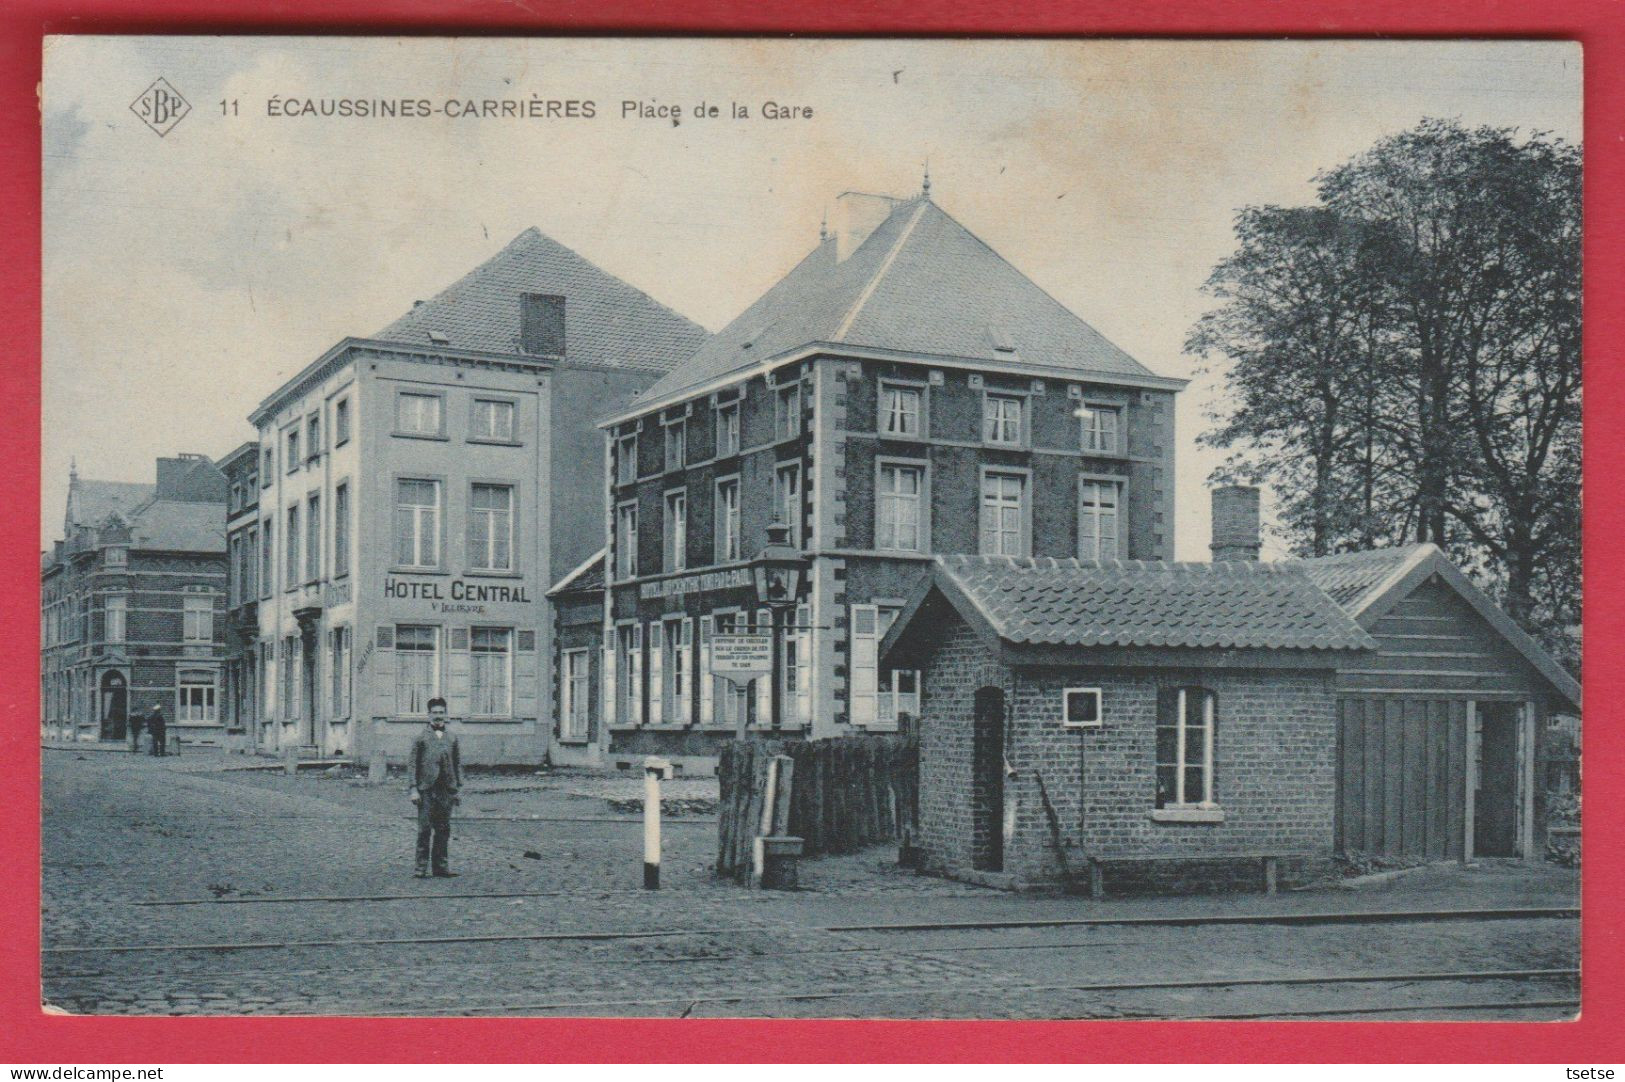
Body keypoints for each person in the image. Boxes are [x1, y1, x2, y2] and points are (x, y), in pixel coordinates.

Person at [408, 697, 462, 878]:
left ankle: (441, 867)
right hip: (426, 789)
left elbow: (457, 764)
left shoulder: (452, 738)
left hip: (445, 790)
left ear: (446, 715)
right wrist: (413, 789)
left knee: (443, 829)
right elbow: (412, 765)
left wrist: (457, 789)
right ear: (428, 715)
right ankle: (420, 867)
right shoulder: (420, 738)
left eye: (441, 713)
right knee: (424, 829)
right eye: (435, 712)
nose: (438, 716)